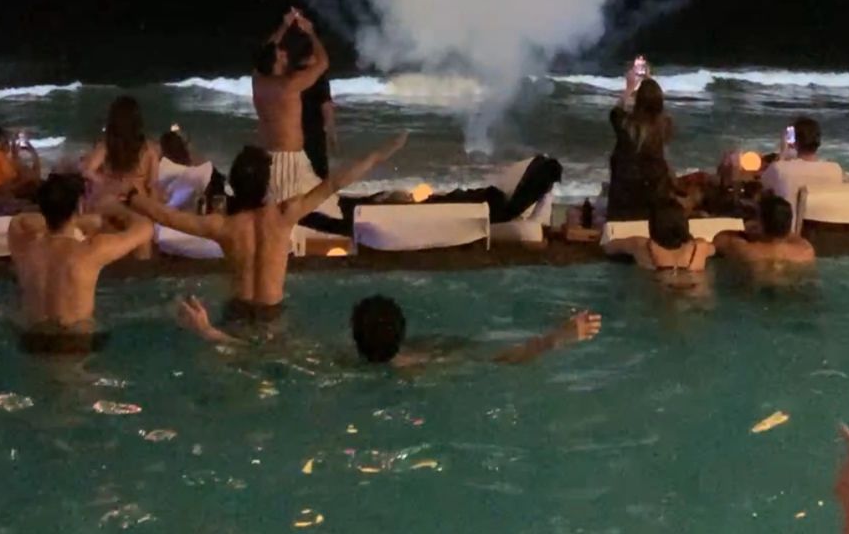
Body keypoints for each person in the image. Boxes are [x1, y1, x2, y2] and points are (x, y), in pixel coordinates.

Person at [130, 132, 408, 323]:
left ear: (235, 186)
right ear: (266, 185)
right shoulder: (284, 215)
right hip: (272, 315)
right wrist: (377, 156)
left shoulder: (223, 226)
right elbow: (334, 183)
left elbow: (165, 216)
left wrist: (130, 197)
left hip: (236, 314)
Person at [175, 291, 602, 368]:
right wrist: (559, 336)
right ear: (403, 331)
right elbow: (507, 355)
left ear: (353, 335)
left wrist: (210, 332)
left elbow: (261, 353)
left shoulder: (330, 360)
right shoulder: (432, 358)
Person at [8, 172, 153, 354]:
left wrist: (76, 219)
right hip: (75, 341)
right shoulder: (91, 252)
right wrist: (114, 209)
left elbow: (20, 220)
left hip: (32, 339)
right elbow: (145, 228)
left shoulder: (24, 247)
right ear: (79, 207)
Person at [252, 8, 330, 202]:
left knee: (324, 200)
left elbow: (267, 50)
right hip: (286, 161)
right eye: (281, 54)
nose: (285, 53)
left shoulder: (257, 80)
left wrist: (284, 26)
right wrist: (311, 32)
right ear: (276, 62)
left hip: (273, 156)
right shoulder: (290, 85)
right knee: (293, 211)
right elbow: (323, 63)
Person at [606, 64, 674, 221]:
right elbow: (659, 109)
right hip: (654, 195)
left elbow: (616, 112)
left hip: (624, 195)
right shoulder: (665, 125)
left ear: (638, 100)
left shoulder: (627, 125)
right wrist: (649, 81)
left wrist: (629, 87)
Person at [605, 199, 715, 283]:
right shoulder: (700, 247)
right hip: (694, 292)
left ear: (653, 225)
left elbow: (609, 247)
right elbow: (714, 250)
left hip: (659, 293)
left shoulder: (641, 245)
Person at [83, 96, 159, 213]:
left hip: (112, 204)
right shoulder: (149, 150)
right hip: (138, 206)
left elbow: (87, 171)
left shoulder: (107, 146)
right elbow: (153, 186)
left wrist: (105, 182)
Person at [283, 20, 336, 182]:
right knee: (318, 177)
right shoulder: (318, 78)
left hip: (290, 136)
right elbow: (326, 108)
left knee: (294, 179)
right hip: (313, 135)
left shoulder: (288, 76)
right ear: (312, 54)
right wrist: (332, 133)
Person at [715, 191, 816, 269]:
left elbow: (720, 239)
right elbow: (788, 234)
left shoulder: (748, 251)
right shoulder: (805, 251)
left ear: (761, 224)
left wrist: (748, 232)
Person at [760, 118, 844, 210]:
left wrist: (783, 153)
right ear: (818, 142)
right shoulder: (835, 169)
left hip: (791, 224)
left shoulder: (780, 169)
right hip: (825, 224)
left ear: (794, 142)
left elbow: (762, 187)